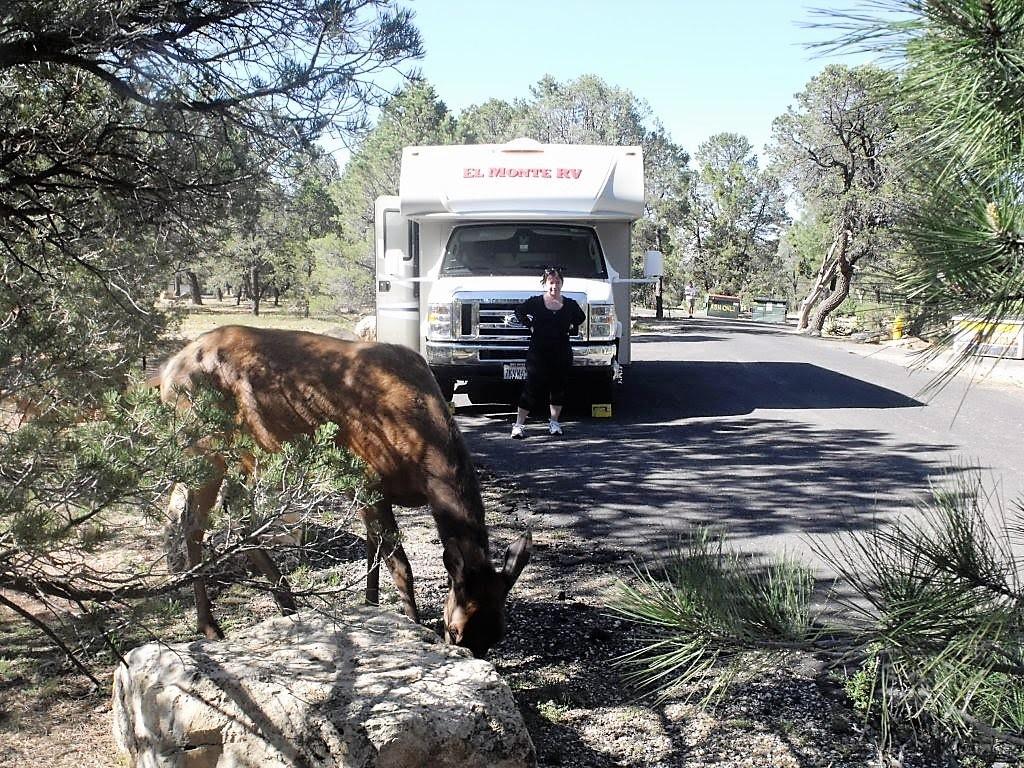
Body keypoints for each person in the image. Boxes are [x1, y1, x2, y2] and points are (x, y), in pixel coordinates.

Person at [510, 267, 586, 439]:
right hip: (538, 353)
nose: (554, 286)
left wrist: (571, 327)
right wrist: (529, 325)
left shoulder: (570, 304)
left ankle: (554, 422)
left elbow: (580, 317)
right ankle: (518, 425)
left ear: (562, 284)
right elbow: (519, 311)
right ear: (545, 284)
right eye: (551, 283)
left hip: (561, 352)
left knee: (558, 388)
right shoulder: (536, 302)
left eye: (557, 282)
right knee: (531, 388)